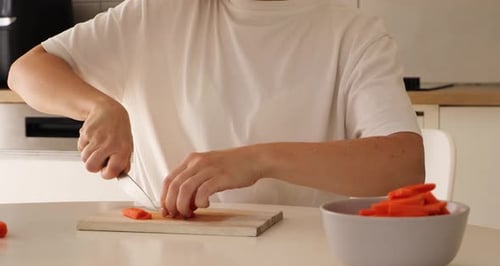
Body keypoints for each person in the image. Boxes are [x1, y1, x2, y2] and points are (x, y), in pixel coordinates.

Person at [7, 0, 424, 218]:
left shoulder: (352, 33)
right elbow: (27, 70)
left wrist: (258, 159)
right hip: (161, 251)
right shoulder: (157, 12)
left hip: (298, 251)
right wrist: (98, 106)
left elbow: (404, 163)